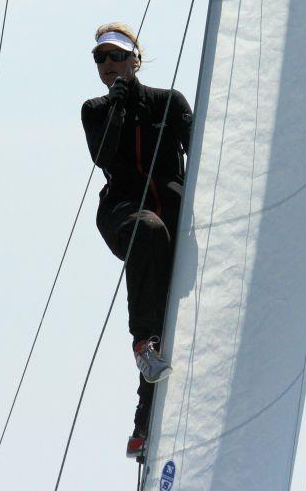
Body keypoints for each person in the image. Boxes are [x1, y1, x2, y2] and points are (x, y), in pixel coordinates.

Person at [80, 23, 192, 459]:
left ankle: (144, 428)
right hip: (123, 214)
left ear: (135, 58)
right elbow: (104, 156)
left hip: (172, 215)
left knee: (170, 304)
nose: (108, 65)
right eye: (100, 58)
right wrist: (119, 105)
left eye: (115, 56)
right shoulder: (94, 110)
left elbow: (206, 147)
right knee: (147, 231)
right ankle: (142, 344)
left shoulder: (168, 103)